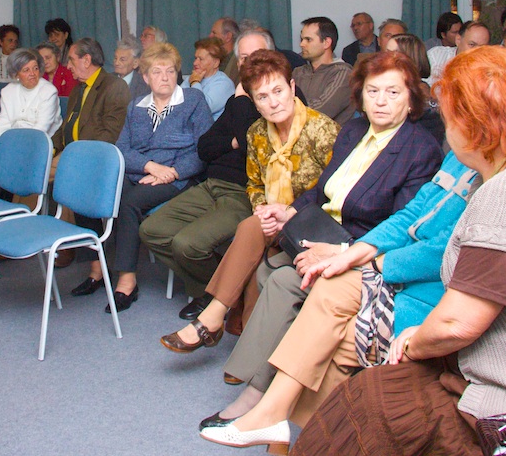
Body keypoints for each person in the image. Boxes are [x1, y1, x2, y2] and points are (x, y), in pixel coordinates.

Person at [278, 46, 506, 456]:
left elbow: (457, 324)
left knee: (372, 398)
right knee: (355, 388)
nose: (446, 133)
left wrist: (412, 341)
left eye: (449, 121)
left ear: (473, 126)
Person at [192, 52, 444, 431]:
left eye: (393, 92)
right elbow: (321, 188)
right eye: (373, 91)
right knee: (265, 265)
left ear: (411, 98)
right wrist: (290, 212)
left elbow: (400, 226)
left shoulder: (419, 149)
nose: (381, 101)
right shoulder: (354, 131)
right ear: (361, 96)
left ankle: (256, 393)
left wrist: (342, 252)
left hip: (362, 251)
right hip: (320, 232)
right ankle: (264, 385)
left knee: (280, 279)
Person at [198, 151, 478, 437]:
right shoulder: (454, 156)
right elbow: (402, 214)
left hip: (414, 285)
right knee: (288, 272)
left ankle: (279, 416)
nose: (450, 133)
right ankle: (267, 405)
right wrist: (330, 242)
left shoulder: (422, 149)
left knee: (331, 319)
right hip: (357, 249)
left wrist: (350, 254)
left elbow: (441, 249)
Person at [158, 50, 338, 348]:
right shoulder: (256, 133)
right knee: (254, 229)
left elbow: (335, 189)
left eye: (278, 91)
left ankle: (213, 317)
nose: (273, 102)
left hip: (315, 221)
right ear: (253, 102)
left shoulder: (321, 130)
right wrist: (263, 210)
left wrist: (289, 212)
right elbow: (254, 183)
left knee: (249, 230)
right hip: (274, 221)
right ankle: (235, 333)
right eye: (262, 97)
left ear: (292, 88)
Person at [141, 30, 275, 316]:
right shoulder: (238, 101)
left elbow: (252, 147)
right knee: (151, 230)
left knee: (187, 244)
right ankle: (221, 290)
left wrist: (241, 103)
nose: (249, 63)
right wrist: (231, 141)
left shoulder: (274, 99)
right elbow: (205, 147)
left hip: (243, 192)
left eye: (256, 56)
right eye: (243, 58)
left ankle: (217, 296)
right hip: (211, 183)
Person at [73, 43, 213, 311]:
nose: (165, 77)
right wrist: (150, 166)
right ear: (146, 77)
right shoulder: (136, 106)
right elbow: (122, 149)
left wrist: (172, 172)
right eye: (157, 72)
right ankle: (97, 266)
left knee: (128, 201)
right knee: (87, 191)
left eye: (170, 71)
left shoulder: (193, 100)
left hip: (180, 178)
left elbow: (204, 149)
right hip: (141, 172)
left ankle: (126, 280)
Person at [51, 37, 132, 268]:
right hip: (71, 152)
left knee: (55, 176)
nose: (68, 66)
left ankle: (66, 243)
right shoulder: (78, 89)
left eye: (71, 60)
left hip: (94, 157)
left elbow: (111, 134)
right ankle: (41, 233)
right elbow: (65, 127)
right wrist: (50, 148)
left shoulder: (114, 87)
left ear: (86, 60)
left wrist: (77, 158)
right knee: (34, 167)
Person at [0, 48, 62, 145]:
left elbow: (42, 127)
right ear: (16, 74)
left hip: (42, 141)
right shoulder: (7, 91)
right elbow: (3, 121)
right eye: (26, 70)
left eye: (35, 68)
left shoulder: (49, 91)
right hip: (15, 138)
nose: (32, 74)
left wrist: (20, 144)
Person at [293, 16, 354, 125]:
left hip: (331, 136)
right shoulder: (298, 72)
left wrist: (286, 110)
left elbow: (320, 111)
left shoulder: (343, 73)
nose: (301, 44)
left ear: (326, 42)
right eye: (302, 39)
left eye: (308, 39)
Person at [183, 36, 235, 120]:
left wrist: (195, 82)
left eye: (201, 59)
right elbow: (175, 103)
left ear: (215, 63)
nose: (195, 63)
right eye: (195, 58)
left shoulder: (224, 84)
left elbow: (203, 109)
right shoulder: (191, 78)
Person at [428, 20, 490, 85]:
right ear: (458, 40)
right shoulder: (436, 56)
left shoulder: (489, 70)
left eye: (482, 47)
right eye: (472, 45)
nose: (476, 51)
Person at [112, 35, 149, 100]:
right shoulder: (106, 81)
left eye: (122, 59)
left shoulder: (144, 86)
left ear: (135, 63)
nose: (116, 63)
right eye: (115, 58)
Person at [211, 17, 241, 83]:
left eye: (214, 33)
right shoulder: (217, 59)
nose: (210, 36)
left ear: (228, 36)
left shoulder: (238, 63)